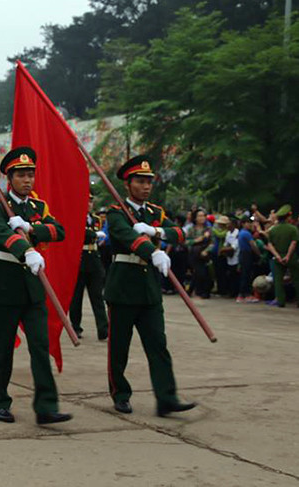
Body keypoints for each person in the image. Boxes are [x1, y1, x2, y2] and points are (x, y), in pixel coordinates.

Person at [0, 146, 72, 425]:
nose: (28, 180)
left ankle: (45, 406)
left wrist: (32, 229)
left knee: (40, 345)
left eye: (31, 174)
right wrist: (27, 249)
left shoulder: (38, 207)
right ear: (9, 178)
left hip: (32, 285)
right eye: (21, 175)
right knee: (3, 347)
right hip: (5, 282)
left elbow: (59, 231)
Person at [104, 155, 196, 418]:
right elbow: (126, 236)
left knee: (158, 345)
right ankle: (120, 393)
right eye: (140, 182)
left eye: (148, 182)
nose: (145, 187)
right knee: (119, 346)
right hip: (123, 286)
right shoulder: (116, 212)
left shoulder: (156, 213)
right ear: (128, 184)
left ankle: (167, 397)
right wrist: (151, 251)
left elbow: (180, 233)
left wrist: (156, 233)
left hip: (149, 289)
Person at [69, 194, 109, 340]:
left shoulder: (97, 219)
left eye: (91, 200)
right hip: (79, 259)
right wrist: (94, 234)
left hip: (94, 259)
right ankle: (75, 327)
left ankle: (103, 329)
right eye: (86, 200)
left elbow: (101, 236)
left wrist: (96, 235)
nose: (89, 203)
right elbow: (78, 233)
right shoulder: (74, 217)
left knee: (98, 296)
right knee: (76, 297)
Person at [265, 205, 299, 308]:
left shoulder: (273, 230)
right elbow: (293, 243)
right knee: (296, 279)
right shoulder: (293, 229)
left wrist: (278, 256)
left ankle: (280, 301)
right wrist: (288, 256)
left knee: (278, 280)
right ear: (288, 216)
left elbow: (270, 245)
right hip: (291, 257)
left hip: (277, 257)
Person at [186, 209, 212, 299]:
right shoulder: (191, 229)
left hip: (204, 254)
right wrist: (197, 240)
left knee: (204, 273)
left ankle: (199, 292)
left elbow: (212, 243)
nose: (202, 218)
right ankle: (197, 292)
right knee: (198, 272)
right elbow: (186, 242)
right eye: (199, 216)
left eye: (203, 216)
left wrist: (207, 250)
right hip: (194, 253)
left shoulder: (208, 229)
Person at [236, 217, 261, 303]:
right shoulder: (246, 233)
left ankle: (242, 294)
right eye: (247, 223)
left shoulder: (241, 233)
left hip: (242, 254)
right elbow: (253, 245)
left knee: (244, 274)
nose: (249, 224)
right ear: (243, 224)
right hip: (246, 254)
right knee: (246, 275)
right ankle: (245, 294)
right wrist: (259, 254)